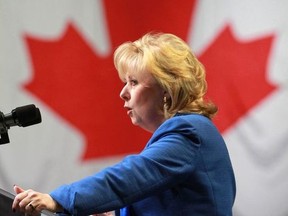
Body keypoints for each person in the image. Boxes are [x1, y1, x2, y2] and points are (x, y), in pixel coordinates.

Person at [12, 32, 236, 216]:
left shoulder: (189, 132)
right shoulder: (189, 131)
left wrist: (57, 199)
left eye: (134, 82)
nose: (122, 93)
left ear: (167, 89)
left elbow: (131, 177)